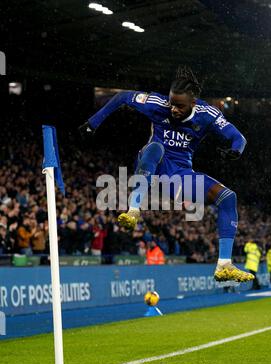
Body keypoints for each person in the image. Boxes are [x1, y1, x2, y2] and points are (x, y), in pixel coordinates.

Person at [79, 66, 254, 283]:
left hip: (178, 177)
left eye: (179, 106)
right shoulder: (158, 104)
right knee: (156, 148)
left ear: (193, 102)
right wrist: (93, 123)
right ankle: (134, 209)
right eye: (171, 103)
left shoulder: (207, 114)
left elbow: (239, 138)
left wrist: (236, 151)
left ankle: (224, 265)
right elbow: (123, 96)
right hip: (151, 164)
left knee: (228, 197)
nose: (173, 109)